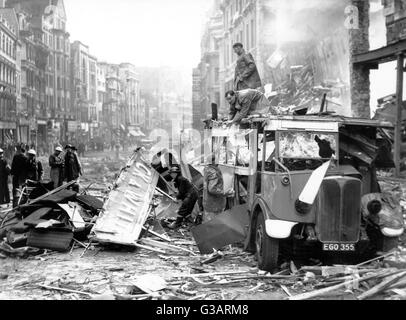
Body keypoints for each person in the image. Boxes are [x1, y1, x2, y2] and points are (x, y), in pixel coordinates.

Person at [203, 154, 234, 222]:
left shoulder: (207, 169)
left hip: (208, 203)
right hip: (215, 205)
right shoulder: (214, 172)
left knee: (209, 224)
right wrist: (225, 193)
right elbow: (212, 189)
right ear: (213, 161)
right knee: (214, 225)